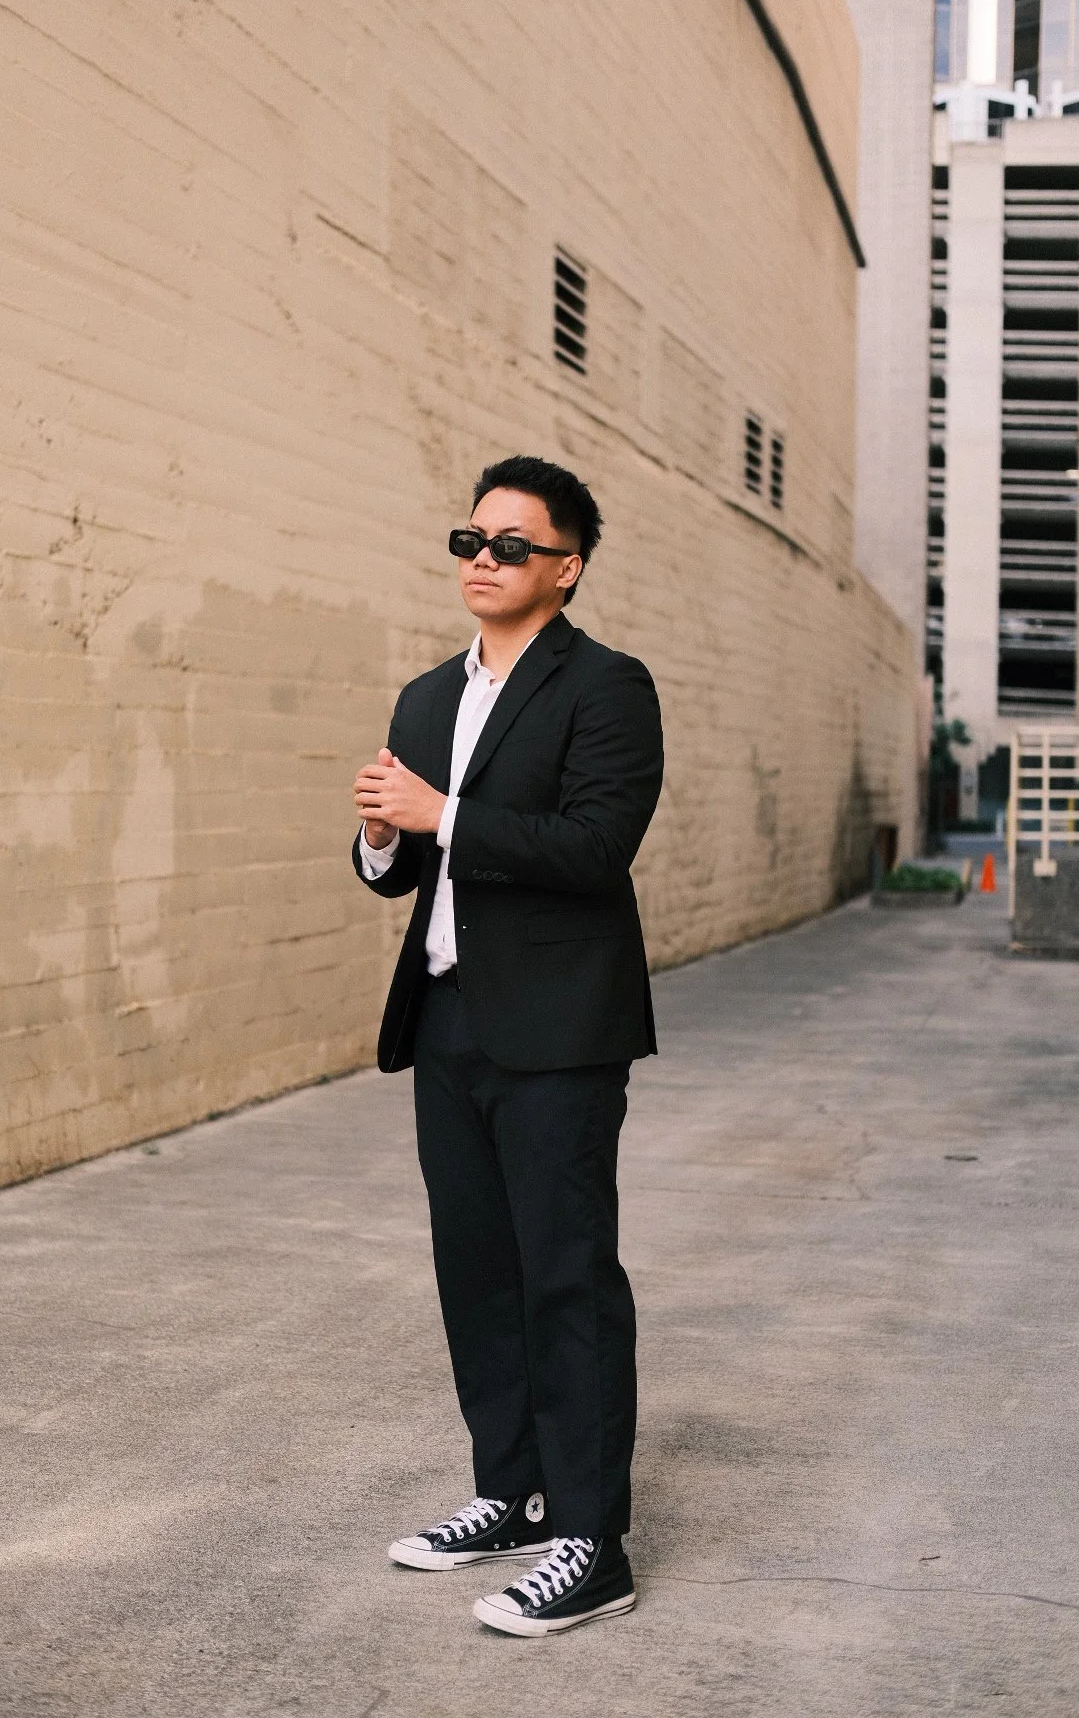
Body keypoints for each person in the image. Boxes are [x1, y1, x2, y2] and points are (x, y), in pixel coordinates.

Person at [352, 455, 663, 1637]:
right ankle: (515, 1493)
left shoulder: (607, 689)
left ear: (565, 568)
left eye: (511, 545)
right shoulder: (426, 698)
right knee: (476, 1271)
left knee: (565, 1275)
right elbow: (406, 871)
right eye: (470, 541)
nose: (482, 560)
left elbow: (593, 849)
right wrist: (384, 840)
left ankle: (593, 1542)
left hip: (559, 1030)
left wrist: (445, 817)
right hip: (446, 1020)